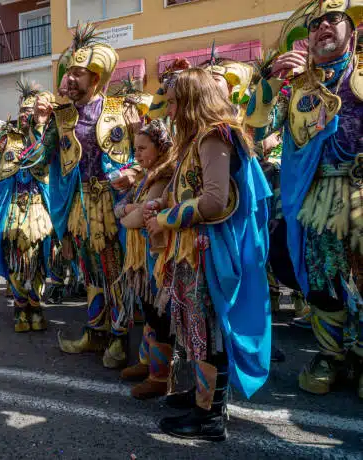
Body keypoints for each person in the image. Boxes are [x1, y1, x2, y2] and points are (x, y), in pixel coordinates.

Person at [145, 67, 271, 441]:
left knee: (208, 331)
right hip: (191, 249)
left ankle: (209, 415)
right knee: (194, 329)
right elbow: (189, 190)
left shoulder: (214, 137)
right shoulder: (197, 140)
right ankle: (197, 397)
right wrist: (159, 204)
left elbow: (215, 201)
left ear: (190, 101)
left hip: (207, 251)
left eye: (173, 103)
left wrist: (166, 218)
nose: (168, 112)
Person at [246, 0, 362, 398]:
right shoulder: (294, 86)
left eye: (333, 19)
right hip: (315, 199)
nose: (322, 27)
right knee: (322, 282)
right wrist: (274, 81)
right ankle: (330, 355)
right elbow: (257, 130)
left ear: (354, 31)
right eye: (314, 25)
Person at [48, 23, 150, 369]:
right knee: (90, 271)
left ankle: (120, 339)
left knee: (115, 270)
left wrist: (133, 172)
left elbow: (145, 152)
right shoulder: (61, 117)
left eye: (79, 73)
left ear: (96, 77)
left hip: (112, 204)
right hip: (80, 204)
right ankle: (95, 332)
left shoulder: (121, 108)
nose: (71, 79)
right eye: (69, 73)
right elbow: (43, 158)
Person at [0, 84, 55, 332]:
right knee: (16, 261)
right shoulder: (9, 140)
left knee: (38, 262)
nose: (27, 115)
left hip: (40, 212)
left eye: (32, 110)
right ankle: (20, 311)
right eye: (23, 111)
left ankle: (36, 309)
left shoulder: (49, 137)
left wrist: (42, 125)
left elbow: (45, 156)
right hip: (14, 212)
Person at [116, 119, 175, 399]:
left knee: (158, 312)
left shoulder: (162, 176)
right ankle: (145, 362)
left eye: (142, 148)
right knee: (148, 308)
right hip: (143, 255)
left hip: (157, 255)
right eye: (134, 149)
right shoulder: (146, 174)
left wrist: (127, 210)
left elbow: (136, 218)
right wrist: (129, 208)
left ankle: (160, 376)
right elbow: (128, 210)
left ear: (160, 147)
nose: (136, 154)